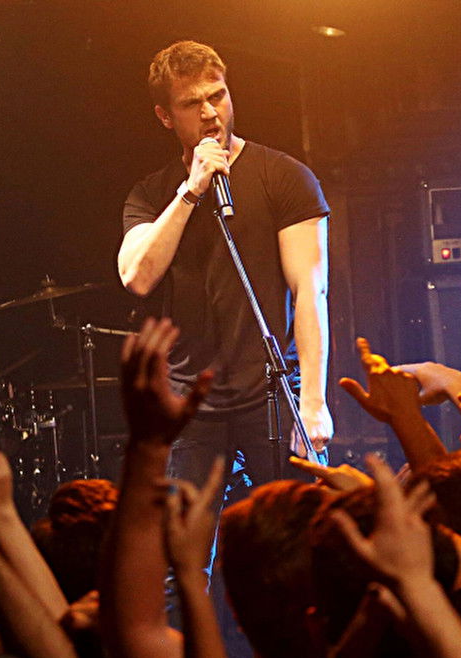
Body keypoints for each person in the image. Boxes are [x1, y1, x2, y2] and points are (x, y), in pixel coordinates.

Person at [117, 40, 332, 495]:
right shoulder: (152, 193)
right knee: (183, 537)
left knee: (295, 527)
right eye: (191, 104)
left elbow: (310, 292)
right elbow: (137, 276)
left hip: (273, 391)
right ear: (165, 116)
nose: (210, 112)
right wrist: (190, 192)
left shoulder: (285, 176)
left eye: (217, 95)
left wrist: (313, 401)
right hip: (189, 400)